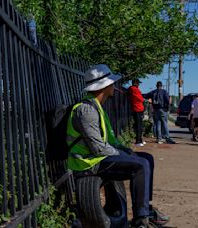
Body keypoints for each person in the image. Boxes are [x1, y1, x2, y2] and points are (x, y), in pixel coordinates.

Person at [67, 64, 169, 227]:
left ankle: (146, 209)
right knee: (140, 165)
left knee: (146, 158)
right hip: (88, 163)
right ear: (104, 86)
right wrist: (123, 155)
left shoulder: (97, 107)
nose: (114, 86)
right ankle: (141, 219)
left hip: (98, 158)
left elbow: (111, 141)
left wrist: (125, 151)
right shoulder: (86, 110)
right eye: (111, 83)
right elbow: (98, 148)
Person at [128, 79, 146, 146]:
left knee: (139, 125)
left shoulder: (133, 89)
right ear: (136, 83)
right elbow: (141, 99)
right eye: (138, 83)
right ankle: (138, 141)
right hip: (137, 108)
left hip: (137, 108)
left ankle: (140, 140)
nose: (139, 84)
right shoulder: (134, 89)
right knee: (138, 125)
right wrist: (143, 98)